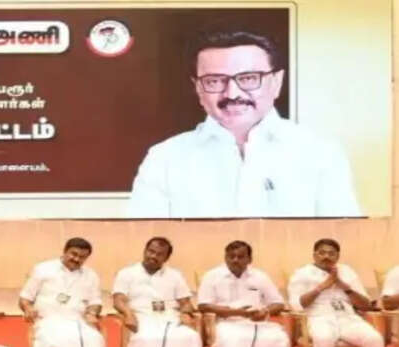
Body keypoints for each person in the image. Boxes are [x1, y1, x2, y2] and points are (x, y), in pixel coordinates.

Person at [127, 30, 360, 218]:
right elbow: (144, 242)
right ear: (198, 88)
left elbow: (342, 241)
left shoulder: (320, 152)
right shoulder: (165, 158)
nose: (232, 93)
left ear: (276, 82)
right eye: (215, 81)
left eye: (248, 78)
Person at [287, 238, 389, 347]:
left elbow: (365, 304)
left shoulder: (347, 272)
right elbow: (296, 304)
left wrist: (344, 286)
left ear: (338, 256)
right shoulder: (302, 274)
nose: (326, 256)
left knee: (374, 338)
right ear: (314, 255)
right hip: (319, 316)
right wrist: (322, 287)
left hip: (347, 316)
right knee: (324, 338)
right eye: (322, 253)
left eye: (331, 253)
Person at [112, 237, 205, 347]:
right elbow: (118, 299)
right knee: (146, 339)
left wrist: (186, 313)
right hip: (141, 316)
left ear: (166, 258)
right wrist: (128, 313)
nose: (153, 256)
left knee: (190, 337)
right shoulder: (127, 273)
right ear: (145, 251)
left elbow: (185, 302)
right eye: (151, 251)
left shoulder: (175, 275)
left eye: (159, 254)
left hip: (170, 317)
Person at [197, 241, 289, 347]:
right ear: (225, 257)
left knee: (277, 338)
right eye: (231, 256)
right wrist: (236, 312)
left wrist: (265, 311)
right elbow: (203, 305)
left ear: (249, 259)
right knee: (237, 340)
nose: (235, 260)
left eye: (240, 257)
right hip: (225, 322)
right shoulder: (212, 276)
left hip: (256, 322)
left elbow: (278, 303)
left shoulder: (260, 276)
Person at [19, 237, 108, 347]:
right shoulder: (43, 269)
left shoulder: (91, 275)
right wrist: (28, 309)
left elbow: (95, 301)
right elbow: (25, 298)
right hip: (48, 321)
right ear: (65, 251)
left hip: (78, 321)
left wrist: (92, 312)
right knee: (60, 343)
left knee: (93, 340)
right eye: (73, 254)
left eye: (82, 257)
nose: (76, 259)